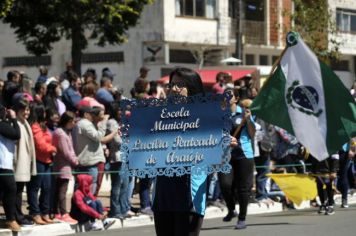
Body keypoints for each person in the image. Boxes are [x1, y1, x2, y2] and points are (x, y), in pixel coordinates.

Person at [152, 67, 207, 236]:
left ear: (192, 87)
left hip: (190, 192)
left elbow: (213, 150)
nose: (174, 89)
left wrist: (225, 143)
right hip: (163, 193)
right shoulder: (157, 114)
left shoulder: (206, 115)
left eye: (180, 85)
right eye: (172, 85)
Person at [27, 103, 57, 225]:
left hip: (47, 161)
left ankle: (44, 212)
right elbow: (41, 145)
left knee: (47, 188)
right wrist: (53, 148)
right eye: (43, 112)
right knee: (34, 188)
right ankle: (35, 213)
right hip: (38, 161)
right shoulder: (34, 126)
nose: (45, 114)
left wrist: (50, 148)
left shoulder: (42, 126)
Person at [52, 111, 79, 224]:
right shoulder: (61, 133)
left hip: (65, 165)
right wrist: (75, 161)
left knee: (60, 190)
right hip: (62, 166)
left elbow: (70, 150)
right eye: (72, 121)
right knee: (62, 191)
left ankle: (58, 212)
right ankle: (63, 213)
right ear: (67, 121)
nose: (74, 123)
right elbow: (66, 152)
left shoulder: (66, 132)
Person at [13, 98, 36, 226]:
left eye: (27, 109)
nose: (26, 112)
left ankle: (18, 215)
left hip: (24, 161)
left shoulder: (25, 123)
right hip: (17, 162)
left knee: (19, 191)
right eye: (23, 110)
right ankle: (17, 216)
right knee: (16, 192)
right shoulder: (15, 123)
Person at [106, 102, 130, 219]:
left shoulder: (121, 121)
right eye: (120, 110)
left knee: (124, 185)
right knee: (117, 186)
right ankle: (115, 211)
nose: (122, 112)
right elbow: (117, 140)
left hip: (124, 157)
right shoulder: (112, 122)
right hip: (117, 158)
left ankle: (123, 209)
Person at [0, 104, 21, 232]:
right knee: (11, 189)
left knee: (4, 191)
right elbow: (16, 134)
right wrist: (13, 119)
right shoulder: (1, 125)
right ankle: (10, 219)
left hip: (5, 163)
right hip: (2, 164)